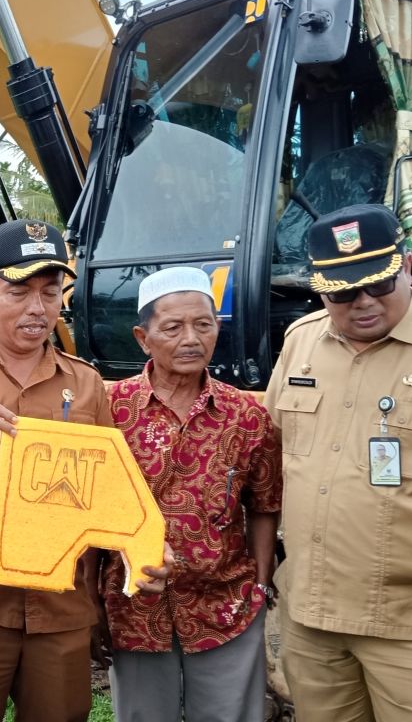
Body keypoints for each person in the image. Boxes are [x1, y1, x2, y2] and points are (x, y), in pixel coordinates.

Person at [0, 219, 170, 722]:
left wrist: (141, 549)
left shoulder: (85, 384)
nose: (37, 308)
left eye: (50, 292)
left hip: (60, 607)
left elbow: (109, 492)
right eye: (18, 292)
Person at [264, 204, 412, 721]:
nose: (363, 304)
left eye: (377, 284)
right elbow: (270, 450)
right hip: (312, 620)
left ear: (406, 265)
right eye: (342, 293)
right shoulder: (301, 342)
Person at [101, 267, 282, 722]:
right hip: (135, 606)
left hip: (227, 603)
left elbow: (263, 503)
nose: (191, 338)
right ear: (143, 338)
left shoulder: (246, 414)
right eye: (173, 327)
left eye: (203, 324)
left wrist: (259, 582)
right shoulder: (109, 409)